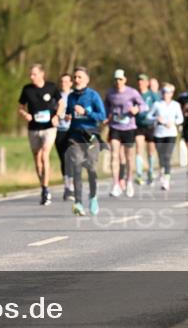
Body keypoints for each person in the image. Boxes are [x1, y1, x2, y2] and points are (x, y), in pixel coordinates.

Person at [65, 66, 107, 216]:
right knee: (76, 165)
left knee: (91, 168)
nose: (76, 80)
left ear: (87, 80)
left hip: (91, 136)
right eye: (75, 77)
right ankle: (78, 202)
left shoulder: (93, 95)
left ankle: (93, 197)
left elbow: (102, 116)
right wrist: (68, 116)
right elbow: (69, 114)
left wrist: (86, 112)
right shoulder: (70, 97)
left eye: (79, 77)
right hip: (75, 136)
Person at [18, 64, 60, 206]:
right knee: (37, 159)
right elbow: (21, 107)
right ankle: (43, 186)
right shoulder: (27, 89)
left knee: (44, 155)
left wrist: (57, 116)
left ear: (42, 74)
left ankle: (46, 189)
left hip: (49, 128)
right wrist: (25, 115)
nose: (31, 77)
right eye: (30, 74)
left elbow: (61, 103)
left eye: (34, 74)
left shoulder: (51, 87)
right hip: (33, 128)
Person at [106, 70, 145, 198]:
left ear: (125, 80)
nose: (118, 82)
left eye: (120, 79)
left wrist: (136, 109)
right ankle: (116, 184)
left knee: (129, 157)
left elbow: (143, 105)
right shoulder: (110, 92)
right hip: (115, 127)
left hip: (129, 127)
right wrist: (107, 116)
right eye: (116, 79)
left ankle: (129, 181)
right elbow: (106, 106)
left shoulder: (132, 92)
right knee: (114, 155)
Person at [147, 84, 184, 190]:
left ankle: (166, 180)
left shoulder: (176, 105)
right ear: (161, 93)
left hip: (171, 133)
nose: (166, 94)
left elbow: (180, 119)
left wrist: (173, 122)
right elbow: (148, 116)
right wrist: (156, 118)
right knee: (161, 156)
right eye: (164, 91)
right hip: (159, 134)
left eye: (169, 92)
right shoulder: (157, 104)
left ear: (172, 93)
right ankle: (162, 171)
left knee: (167, 156)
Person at [134, 74, 160, 185]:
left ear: (147, 82)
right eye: (139, 81)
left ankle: (150, 172)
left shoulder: (152, 94)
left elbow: (159, 106)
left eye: (143, 81)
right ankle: (139, 174)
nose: (140, 83)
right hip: (139, 125)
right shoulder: (135, 94)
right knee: (139, 148)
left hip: (150, 125)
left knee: (151, 151)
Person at [54, 73, 74, 200]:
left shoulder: (74, 95)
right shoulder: (56, 96)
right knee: (63, 159)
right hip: (59, 130)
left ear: (71, 83)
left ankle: (71, 187)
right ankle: (67, 187)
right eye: (62, 81)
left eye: (66, 81)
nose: (64, 84)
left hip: (72, 130)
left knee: (70, 158)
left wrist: (72, 115)